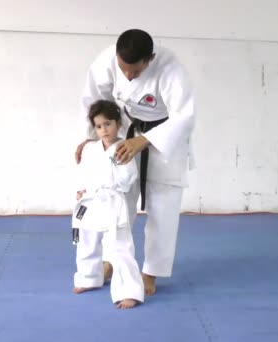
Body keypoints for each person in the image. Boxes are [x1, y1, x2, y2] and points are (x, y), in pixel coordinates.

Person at [74, 29, 195, 296]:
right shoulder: (106, 61)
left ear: (150, 59)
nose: (128, 76)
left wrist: (145, 141)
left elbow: (184, 116)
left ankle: (150, 271)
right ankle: (112, 261)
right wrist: (92, 139)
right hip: (127, 127)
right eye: (123, 69)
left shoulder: (170, 69)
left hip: (166, 137)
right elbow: (94, 103)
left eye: (136, 71)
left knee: (163, 205)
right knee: (115, 197)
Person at [72, 99, 144, 309]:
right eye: (99, 126)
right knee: (86, 241)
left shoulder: (124, 148)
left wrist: (113, 162)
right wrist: (81, 189)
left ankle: (129, 291)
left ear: (118, 124)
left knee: (119, 247)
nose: (104, 130)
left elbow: (128, 178)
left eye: (108, 124)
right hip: (91, 201)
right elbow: (83, 172)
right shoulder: (90, 148)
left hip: (113, 201)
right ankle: (88, 278)